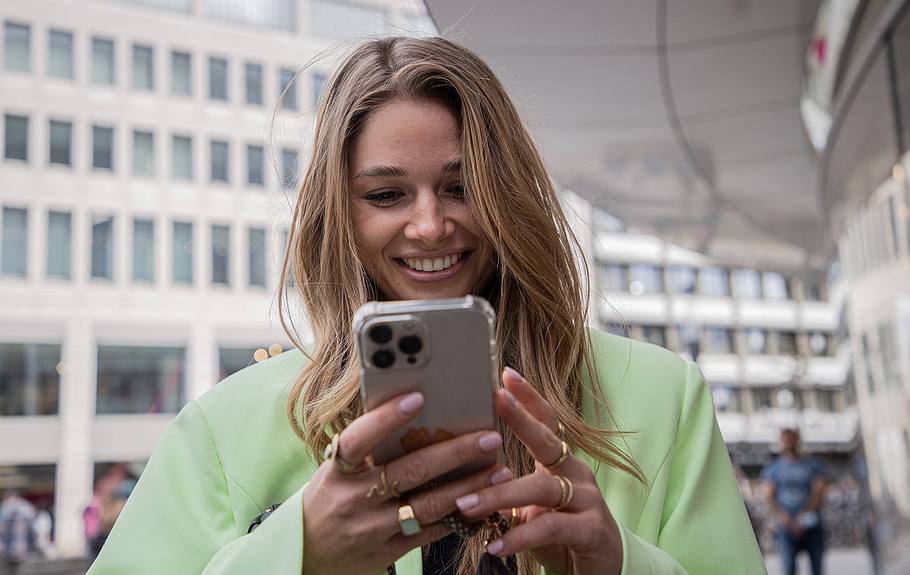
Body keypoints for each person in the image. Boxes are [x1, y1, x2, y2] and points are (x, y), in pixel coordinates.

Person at [88, 36, 766, 574]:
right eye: (385, 195)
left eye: (461, 185)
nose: (430, 225)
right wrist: (297, 554)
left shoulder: (663, 395)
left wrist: (620, 564)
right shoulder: (223, 428)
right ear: (341, 217)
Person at [761, 428, 829, 575]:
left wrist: (804, 514)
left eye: (790, 439)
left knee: (817, 567)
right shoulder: (774, 468)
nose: (788, 443)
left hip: (811, 522)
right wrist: (783, 515)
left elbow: (820, 492)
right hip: (786, 525)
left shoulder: (812, 465)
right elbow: (768, 495)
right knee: (788, 568)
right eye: (785, 440)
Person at [0, 490, 37, 575]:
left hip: (7, 551)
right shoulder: (26, 507)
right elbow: (33, 531)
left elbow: (1, 531)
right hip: (23, 550)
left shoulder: (5, 508)